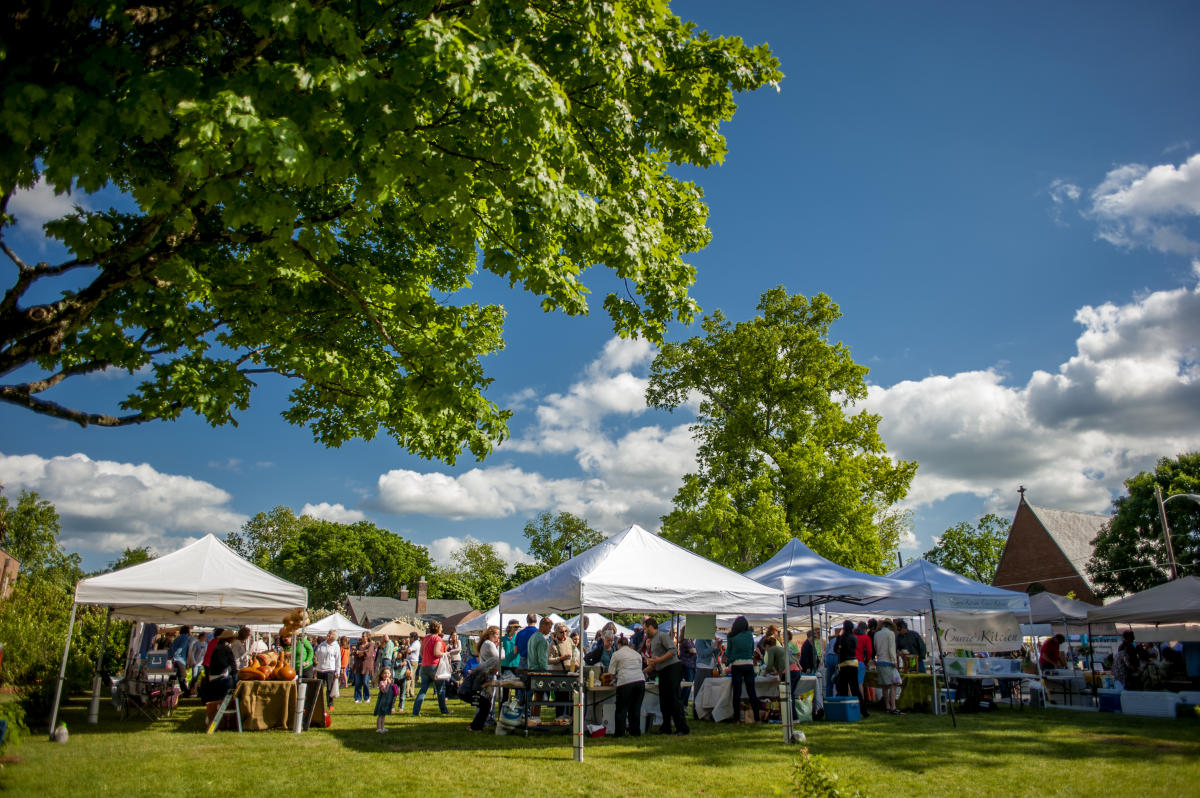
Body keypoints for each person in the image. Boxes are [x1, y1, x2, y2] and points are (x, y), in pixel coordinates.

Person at [642, 618, 689, 735]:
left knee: (674, 699)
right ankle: (666, 727)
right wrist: (642, 671)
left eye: (645, 629)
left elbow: (672, 651)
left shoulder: (662, 636)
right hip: (662, 671)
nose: (645, 631)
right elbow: (654, 662)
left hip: (672, 668)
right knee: (664, 701)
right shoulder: (652, 641)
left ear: (651, 626)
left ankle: (682, 727)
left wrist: (660, 659)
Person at [725, 616, 760, 723]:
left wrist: (728, 661)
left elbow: (728, 652)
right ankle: (757, 718)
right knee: (752, 692)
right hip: (749, 664)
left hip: (736, 665)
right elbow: (751, 650)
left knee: (737, 693)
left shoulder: (731, 636)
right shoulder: (750, 635)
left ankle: (737, 719)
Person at [412, 620, 452, 716]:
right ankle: (444, 710)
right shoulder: (437, 639)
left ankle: (415, 712)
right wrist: (446, 654)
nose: (442, 629)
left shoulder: (425, 638)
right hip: (435, 667)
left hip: (424, 666)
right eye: (441, 627)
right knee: (440, 690)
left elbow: (421, 653)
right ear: (438, 629)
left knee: (423, 690)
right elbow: (436, 653)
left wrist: (426, 658)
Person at [608, 636, 645, 737]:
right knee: (635, 708)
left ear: (618, 644)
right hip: (640, 681)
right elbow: (639, 668)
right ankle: (635, 731)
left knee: (622, 709)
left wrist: (614, 678)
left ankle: (620, 733)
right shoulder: (636, 654)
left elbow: (611, 673)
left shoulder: (616, 654)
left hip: (625, 681)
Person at [469, 625, 502, 731]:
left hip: (485, 673)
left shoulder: (485, 644)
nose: (498, 637)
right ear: (491, 634)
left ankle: (487, 718)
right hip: (489, 674)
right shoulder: (489, 644)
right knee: (487, 698)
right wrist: (501, 647)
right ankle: (485, 719)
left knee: (486, 698)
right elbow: (500, 657)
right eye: (497, 634)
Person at [835, 620, 869, 718]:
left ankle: (844, 710)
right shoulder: (854, 638)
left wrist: (838, 637)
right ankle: (864, 710)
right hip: (854, 663)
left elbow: (836, 649)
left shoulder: (841, 638)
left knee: (843, 689)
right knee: (856, 689)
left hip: (844, 664)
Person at [199, 629, 237, 702]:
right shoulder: (224, 648)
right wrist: (229, 672)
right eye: (232, 638)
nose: (233, 639)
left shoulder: (218, 646)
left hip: (214, 673)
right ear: (229, 638)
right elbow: (226, 664)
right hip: (220, 676)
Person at [548, 622, 575, 721]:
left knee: (570, 697)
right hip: (558, 674)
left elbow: (575, 652)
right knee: (559, 697)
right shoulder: (552, 644)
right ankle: (558, 719)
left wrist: (575, 661)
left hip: (569, 673)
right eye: (562, 632)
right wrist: (561, 658)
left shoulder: (569, 640)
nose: (564, 634)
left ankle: (569, 718)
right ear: (556, 633)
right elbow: (549, 660)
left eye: (566, 631)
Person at [874, 620, 900, 715]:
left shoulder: (876, 634)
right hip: (888, 662)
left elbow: (876, 647)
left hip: (880, 661)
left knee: (884, 686)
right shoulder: (890, 634)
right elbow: (891, 648)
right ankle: (893, 706)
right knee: (893, 684)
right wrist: (894, 661)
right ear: (890, 626)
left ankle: (887, 706)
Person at [692, 634, 721, 720]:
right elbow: (703, 654)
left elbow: (714, 654)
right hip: (703, 668)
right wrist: (713, 646)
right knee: (699, 691)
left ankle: (706, 712)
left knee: (708, 692)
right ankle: (697, 712)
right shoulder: (699, 640)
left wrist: (718, 647)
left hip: (711, 668)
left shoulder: (710, 640)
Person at [315, 630, 341, 708]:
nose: (328, 635)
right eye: (328, 633)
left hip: (330, 670)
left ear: (334, 637)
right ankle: (318, 704)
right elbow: (316, 655)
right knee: (319, 688)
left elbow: (338, 659)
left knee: (329, 688)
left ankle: (330, 704)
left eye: (330, 634)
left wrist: (337, 671)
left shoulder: (336, 646)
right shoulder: (322, 644)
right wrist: (315, 667)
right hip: (320, 669)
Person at [167, 626, 194, 697]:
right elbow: (181, 648)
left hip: (173, 659)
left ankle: (169, 691)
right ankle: (186, 693)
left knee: (172, 677)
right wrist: (176, 655)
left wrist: (171, 657)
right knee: (182, 677)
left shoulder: (177, 638)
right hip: (180, 659)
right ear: (187, 631)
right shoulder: (185, 638)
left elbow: (171, 648)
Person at [374, 667, 399, 733]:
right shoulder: (382, 683)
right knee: (380, 715)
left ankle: (382, 727)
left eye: (388, 673)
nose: (386, 675)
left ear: (390, 674)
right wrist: (388, 684)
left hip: (387, 701)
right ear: (381, 675)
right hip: (382, 701)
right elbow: (385, 691)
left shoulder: (389, 682)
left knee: (384, 715)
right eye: (385, 673)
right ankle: (378, 728)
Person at [352, 632, 374, 703]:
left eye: (364, 636)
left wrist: (360, 652)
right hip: (358, 666)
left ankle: (367, 697)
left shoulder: (371, 644)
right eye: (362, 636)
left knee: (365, 682)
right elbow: (355, 652)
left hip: (366, 666)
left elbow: (368, 654)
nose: (363, 637)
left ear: (367, 637)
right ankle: (358, 698)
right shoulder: (359, 644)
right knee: (358, 682)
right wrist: (361, 652)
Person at [824, 627, 840, 698]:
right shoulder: (841, 640)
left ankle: (828, 698)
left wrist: (825, 663)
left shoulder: (832, 640)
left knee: (829, 681)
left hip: (830, 657)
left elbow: (826, 652)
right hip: (837, 657)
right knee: (838, 679)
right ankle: (838, 697)